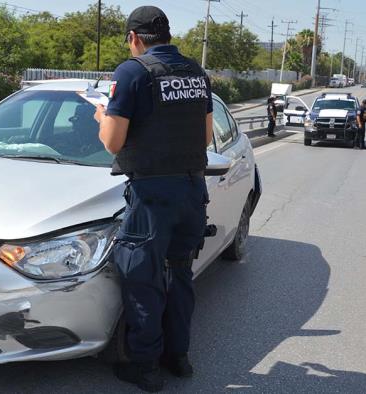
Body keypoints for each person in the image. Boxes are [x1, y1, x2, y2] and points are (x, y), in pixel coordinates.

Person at [93, 6, 213, 392]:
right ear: (167, 35)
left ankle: (144, 366)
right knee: (180, 273)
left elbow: (113, 142)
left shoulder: (132, 72)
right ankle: (178, 358)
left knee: (141, 276)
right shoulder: (196, 72)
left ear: (134, 38)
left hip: (152, 195)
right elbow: (206, 136)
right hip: (192, 190)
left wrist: (101, 118)